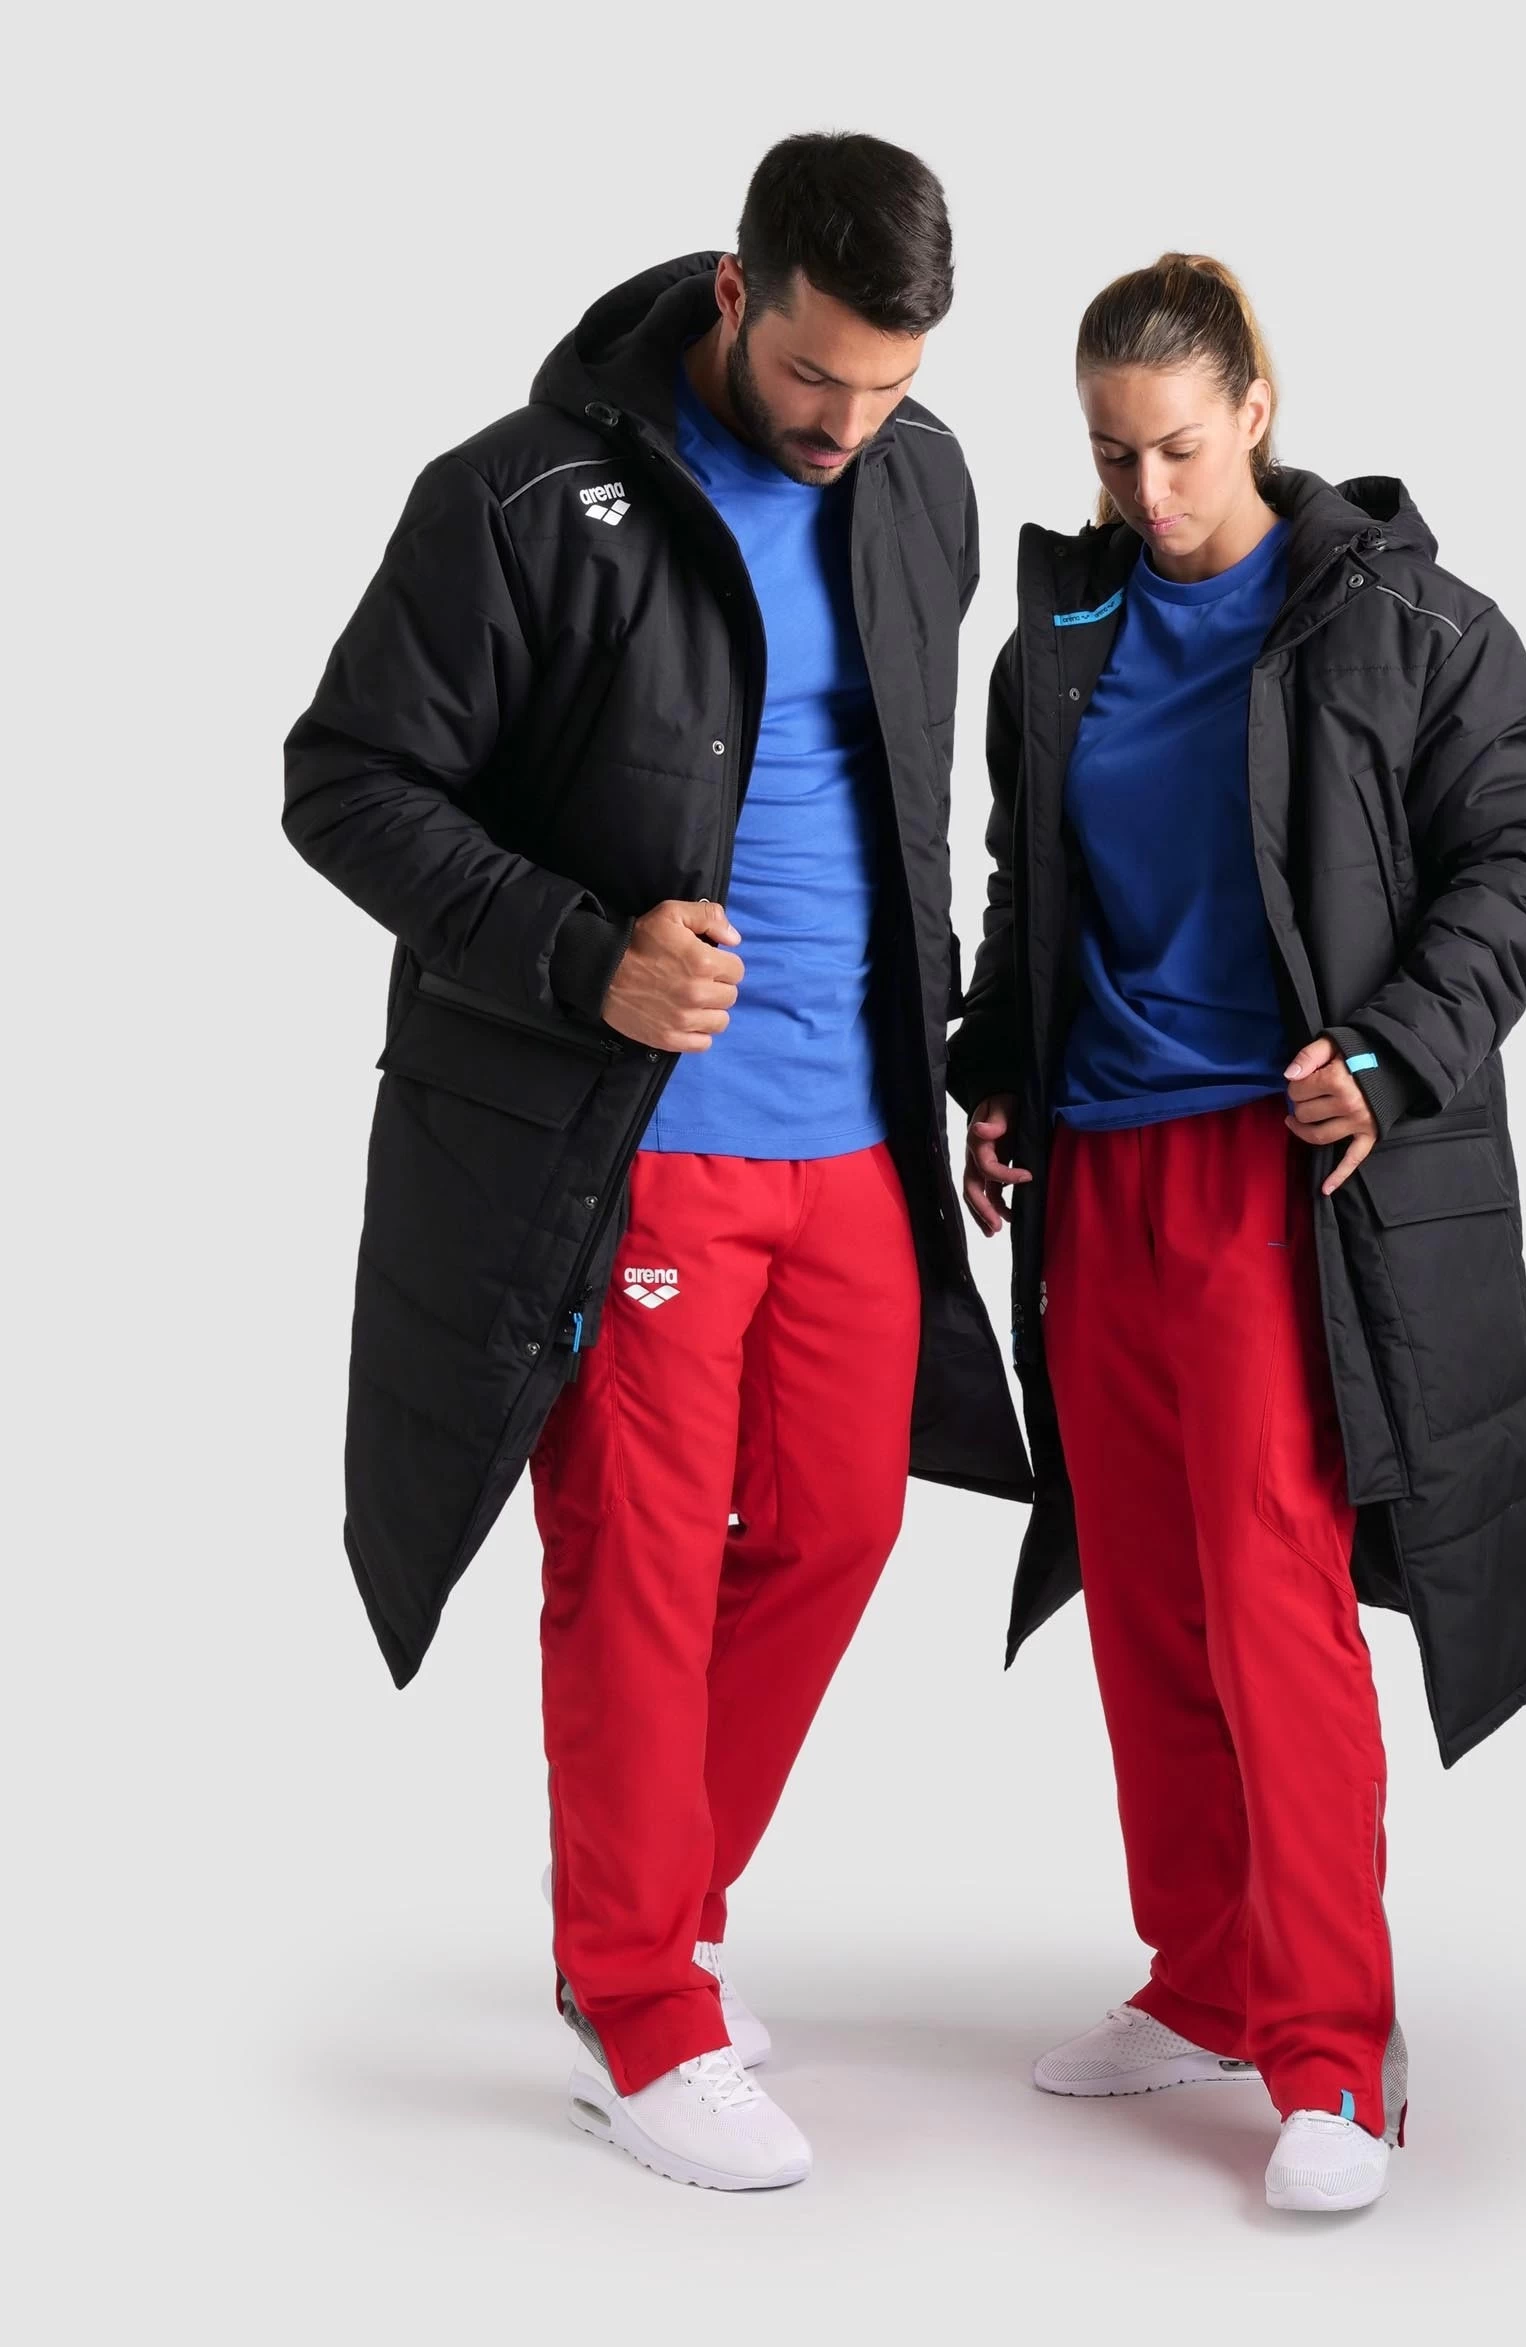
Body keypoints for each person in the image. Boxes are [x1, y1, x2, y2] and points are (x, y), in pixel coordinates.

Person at [284, 132, 1028, 2194]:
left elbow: (907, 802)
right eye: (812, 375)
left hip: (855, 1133)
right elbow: (345, 780)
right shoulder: (521, 498)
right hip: (637, 1150)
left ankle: (654, 1918)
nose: (846, 425)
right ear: (732, 291)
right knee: (633, 1569)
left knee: (838, 1530)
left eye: (887, 386)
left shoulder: (924, 479)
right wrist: (579, 953)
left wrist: (976, 1056)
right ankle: (639, 2006)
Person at [948, 254, 1526, 2213]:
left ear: (1255, 406)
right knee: (1146, 1597)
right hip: (1098, 1180)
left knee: (1271, 1601)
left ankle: (1331, 2047)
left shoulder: (1404, 620)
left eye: (1177, 447)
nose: (1146, 493)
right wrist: (998, 1068)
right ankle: (1209, 1977)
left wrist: (1392, 1050)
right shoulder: (1057, 638)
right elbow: (1031, 886)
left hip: (1274, 1179)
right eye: (1109, 455)